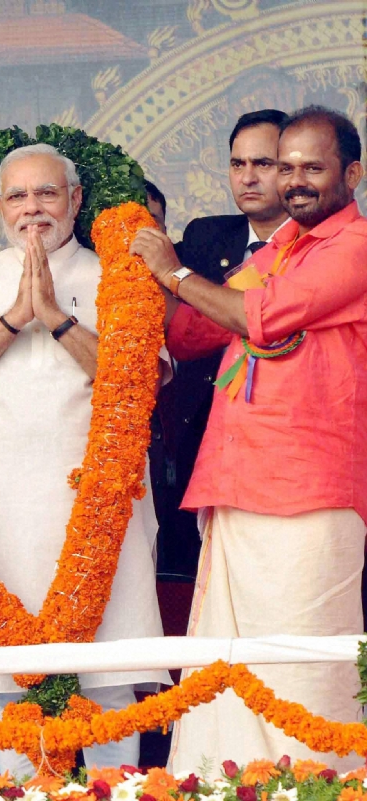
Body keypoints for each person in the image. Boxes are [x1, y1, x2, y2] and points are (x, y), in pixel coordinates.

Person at [131, 106, 367, 773]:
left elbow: (258, 319)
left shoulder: (355, 246)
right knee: (225, 669)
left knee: (299, 665)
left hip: (310, 484)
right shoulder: (285, 248)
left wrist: (175, 272)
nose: (294, 180)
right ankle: (222, 786)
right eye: (285, 165)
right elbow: (192, 334)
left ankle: (323, 787)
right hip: (238, 479)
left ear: (352, 173)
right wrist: (169, 284)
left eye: (312, 167)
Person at [0, 143, 170, 775]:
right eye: (16, 196)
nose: (32, 209)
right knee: (17, 681)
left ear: (76, 200)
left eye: (46, 193)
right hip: (0, 504)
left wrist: (57, 321)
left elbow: (142, 380)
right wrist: (13, 317)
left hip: (101, 501)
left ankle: (121, 787)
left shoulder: (120, 272)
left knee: (111, 678)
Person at [156, 109, 290, 578]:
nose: (248, 178)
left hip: (285, 445)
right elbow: (181, 334)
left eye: (264, 163)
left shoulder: (319, 245)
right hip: (201, 439)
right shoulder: (206, 235)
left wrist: (176, 276)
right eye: (237, 165)